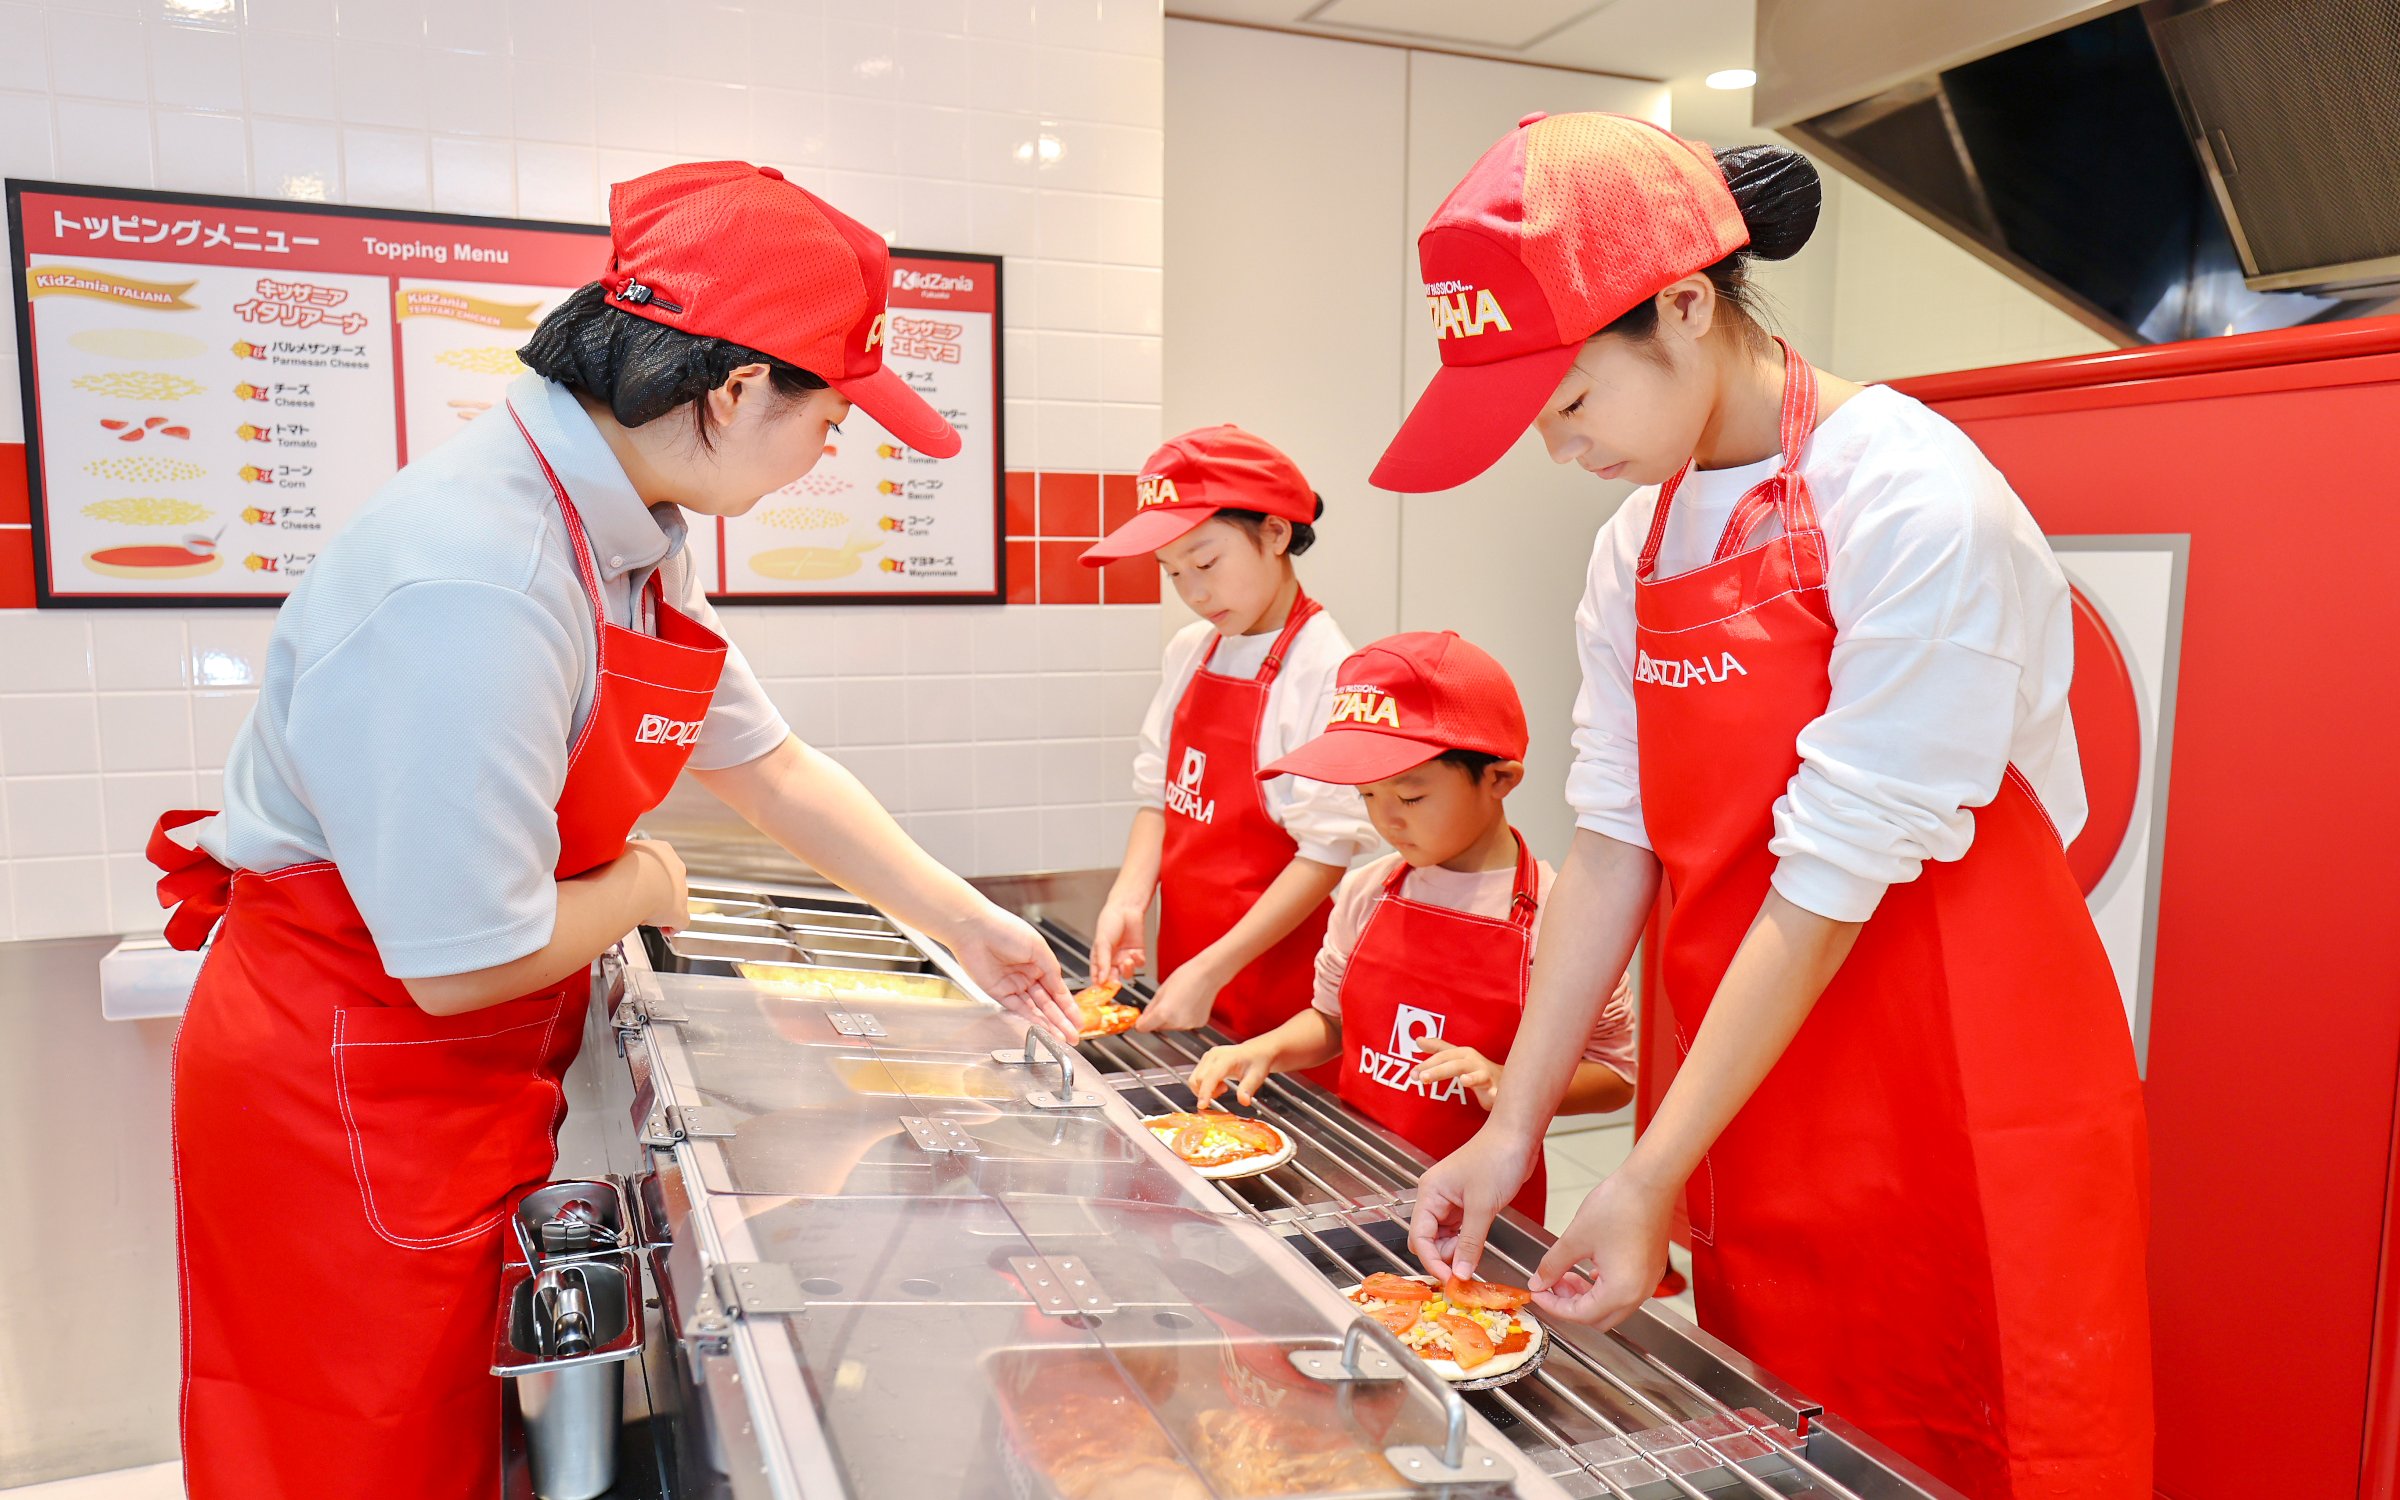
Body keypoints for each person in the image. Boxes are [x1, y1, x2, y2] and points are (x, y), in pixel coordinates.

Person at [148, 162, 1075, 1498]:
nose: (839, 445)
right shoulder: (477, 574)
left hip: (454, 1066)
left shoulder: (627, 524)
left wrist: (970, 929)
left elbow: (766, 761)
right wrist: (642, 880)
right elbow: (462, 957)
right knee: (356, 1453)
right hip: (347, 1078)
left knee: (458, 1446)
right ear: (736, 388)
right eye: (834, 411)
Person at [1377, 114, 2152, 1499]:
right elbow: (1614, 839)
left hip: (1952, 1086)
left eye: (1567, 404)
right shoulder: (1640, 537)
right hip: (1757, 1087)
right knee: (1779, 1445)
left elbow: (1835, 871)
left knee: (1986, 1443)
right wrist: (1518, 1126)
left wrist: (1652, 1168)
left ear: (1684, 305)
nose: (1558, 450)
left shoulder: (1915, 500)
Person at [1186, 631, 1634, 1222]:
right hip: (1354, 1180)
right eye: (1369, 796)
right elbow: (1332, 1023)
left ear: (1499, 779)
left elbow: (1616, 1076)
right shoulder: (1366, 890)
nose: (1387, 819)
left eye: (1412, 796)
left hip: (1483, 1211)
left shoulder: (1562, 915)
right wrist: (1265, 1048)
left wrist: (1509, 1085)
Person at [1080, 427, 1378, 1040]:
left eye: (1207, 562)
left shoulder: (1328, 670)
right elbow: (1159, 797)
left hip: (1282, 994)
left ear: (1275, 532)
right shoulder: (1192, 651)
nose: (1194, 593)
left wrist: (1210, 970)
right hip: (1191, 968)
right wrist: (1129, 900)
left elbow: (1325, 854)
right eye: (1172, 573)